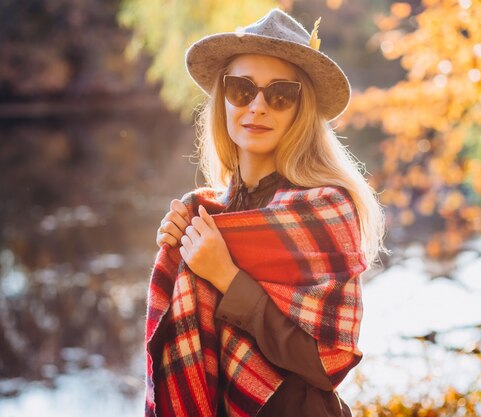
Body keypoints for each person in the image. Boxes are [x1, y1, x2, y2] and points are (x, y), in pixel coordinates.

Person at [146, 8, 385, 417]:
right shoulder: (204, 212)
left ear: (300, 109)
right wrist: (180, 248)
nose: (257, 107)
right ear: (223, 98)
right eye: (242, 89)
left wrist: (226, 276)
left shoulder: (326, 210)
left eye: (280, 95)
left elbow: (323, 364)